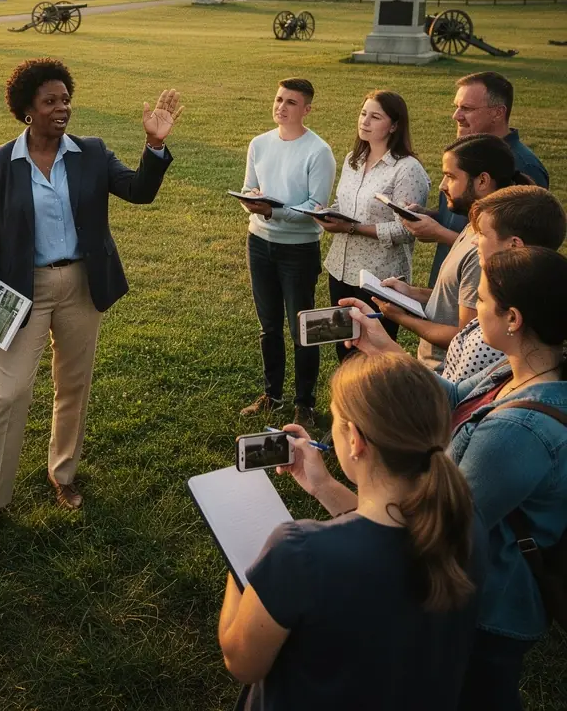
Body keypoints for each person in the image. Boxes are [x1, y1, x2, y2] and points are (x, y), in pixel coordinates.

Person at [0, 59, 181, 540]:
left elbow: (139, 192)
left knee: (73, 387)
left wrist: (155, 145)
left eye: (65, 99)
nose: (62, 108)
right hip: (24, 290)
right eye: (50, 101)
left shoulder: (92, 152)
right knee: (10, 393)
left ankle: (62, 475)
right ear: (27, 110)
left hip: (82, 284)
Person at [349, 249, 567, 709]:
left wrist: (334, 487)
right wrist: (379, 345)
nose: (472, 315)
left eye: (482, 301)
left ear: (513, 318)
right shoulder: (520, 367)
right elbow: (451, 398)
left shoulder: (518, 434)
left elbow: (439, 526)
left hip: (489, 611)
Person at [217, 352, 483, 710]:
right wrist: (322, 485)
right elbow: (378, 535)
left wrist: (239, 558)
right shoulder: (463, 530)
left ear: (355, 439)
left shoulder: (300, 553)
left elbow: (241, 661)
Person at [344, 186, 567, 385]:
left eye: (479, 300)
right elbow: (453, 394)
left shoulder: (487, 341)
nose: (474, 240)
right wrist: (382, 346)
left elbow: (449, 406)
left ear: (514, 245)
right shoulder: (532, 300)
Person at [372, 134, 529, 371]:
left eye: (450, 176)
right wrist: (411, 293)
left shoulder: (484, 250)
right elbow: (455, 296)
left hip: (450, 376)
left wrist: (402, 318)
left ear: (483, 181)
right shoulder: (473, 224)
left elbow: (462, 335)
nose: (442, 185)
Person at [237, 78, 337, 427]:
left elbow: (316, 207)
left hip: (298, 249)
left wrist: (272, 210)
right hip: (259, 243)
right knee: (268, 327)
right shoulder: (259, 143)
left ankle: (304, 403)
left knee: (302, 329)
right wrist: (253, 202)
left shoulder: (318, 151)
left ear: (306, 109)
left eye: (291, 102)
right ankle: (272, 395)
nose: (281, 106)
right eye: (279, 99)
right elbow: (250, 186)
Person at [321, 90, 429, 360]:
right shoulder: (352, 160)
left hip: (379, 277)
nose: (365, 121)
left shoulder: (407, 169)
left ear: (394, 125)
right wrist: (327, 214)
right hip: (340, 268)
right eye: (363, 113)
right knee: (344, 346)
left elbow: (407, 229)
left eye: (375, 116)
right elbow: (343, 203)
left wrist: (353, 228)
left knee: (372, 353)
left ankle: (372, 402)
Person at [419, 72, 549, 286]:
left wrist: (439, 233)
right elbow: (463, 215)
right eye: (457, 106)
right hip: (450, 288)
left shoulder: (523, 166)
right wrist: (430, 217)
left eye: (467, 108)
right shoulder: (466, 154)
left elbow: (517, 252)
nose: (456, 116)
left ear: (498, 113)